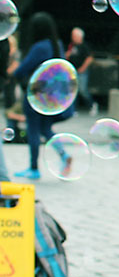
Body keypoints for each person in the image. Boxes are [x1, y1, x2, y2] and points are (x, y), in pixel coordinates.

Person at [11, 13, 72, 180]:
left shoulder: (39, 47)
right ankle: (64, 155)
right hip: (52, 96)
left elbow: (22, 70)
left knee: (33, 130)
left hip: (36, 94)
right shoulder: (57, 44)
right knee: (45, 129)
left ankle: (33, 168)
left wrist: (14, 72)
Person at [66, 28, 93, 112]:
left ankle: (92, 105)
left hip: (82, 72)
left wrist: (83, 68)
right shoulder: (72, 46)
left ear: (80, 36)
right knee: (73, 91)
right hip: (72, 71)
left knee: (82, 90)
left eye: (74, 36)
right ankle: (73, 109)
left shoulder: (84, 46)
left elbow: (89, 58)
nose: (72, 37)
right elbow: (67, 56)